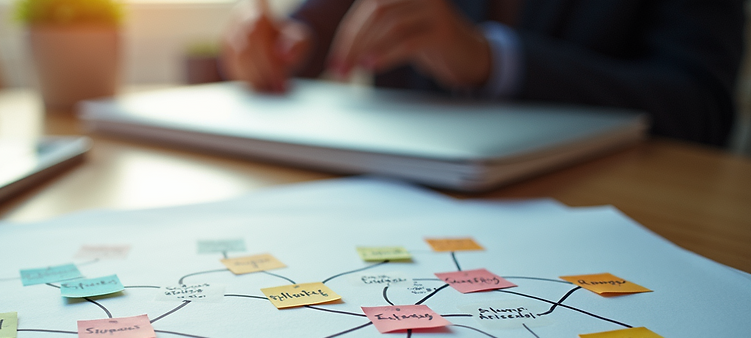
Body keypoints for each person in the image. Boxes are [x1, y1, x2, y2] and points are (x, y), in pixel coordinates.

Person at [222, 0, 746, 147]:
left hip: (620, 202)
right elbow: (320, 26)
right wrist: (276, 41)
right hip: (404, 198)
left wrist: (490, 60)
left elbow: (701, 107)